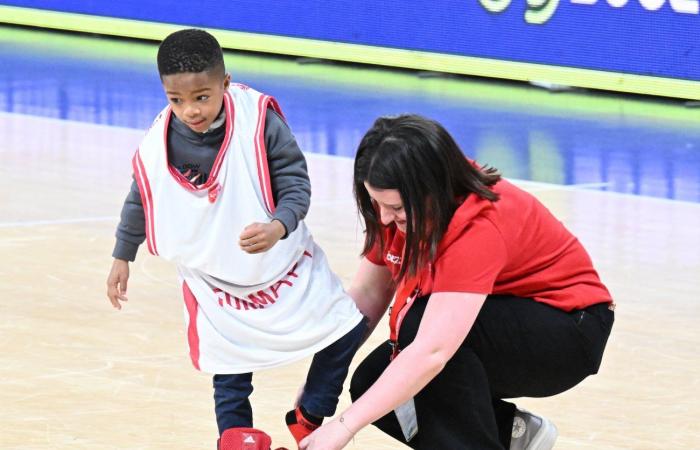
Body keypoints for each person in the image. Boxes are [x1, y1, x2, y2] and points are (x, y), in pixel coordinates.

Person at [105, 29, 366, 450]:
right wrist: (123, 255)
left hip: (279, 261)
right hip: (214, 275)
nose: (189, 110)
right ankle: (234, 438)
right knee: (229, 368)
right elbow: (143, 196)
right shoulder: (159, 140)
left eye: (202, 97)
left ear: (225, 84)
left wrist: (279, 226)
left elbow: (295, 182)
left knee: (347, 328)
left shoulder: (260, 119)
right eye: (176, 100)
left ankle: (310, 412)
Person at [301, 114, 615, 450]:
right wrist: (320, 383)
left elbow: (432, 351)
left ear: (431, 189)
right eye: (376, 202)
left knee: (419, 337)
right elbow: (369, 292)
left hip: (567, 333)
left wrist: (344, 427)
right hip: (499, 317)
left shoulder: (478, 224)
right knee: (372, 381)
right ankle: (510, 432)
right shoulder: (401, 208)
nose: (383, 218)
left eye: (393, 207)